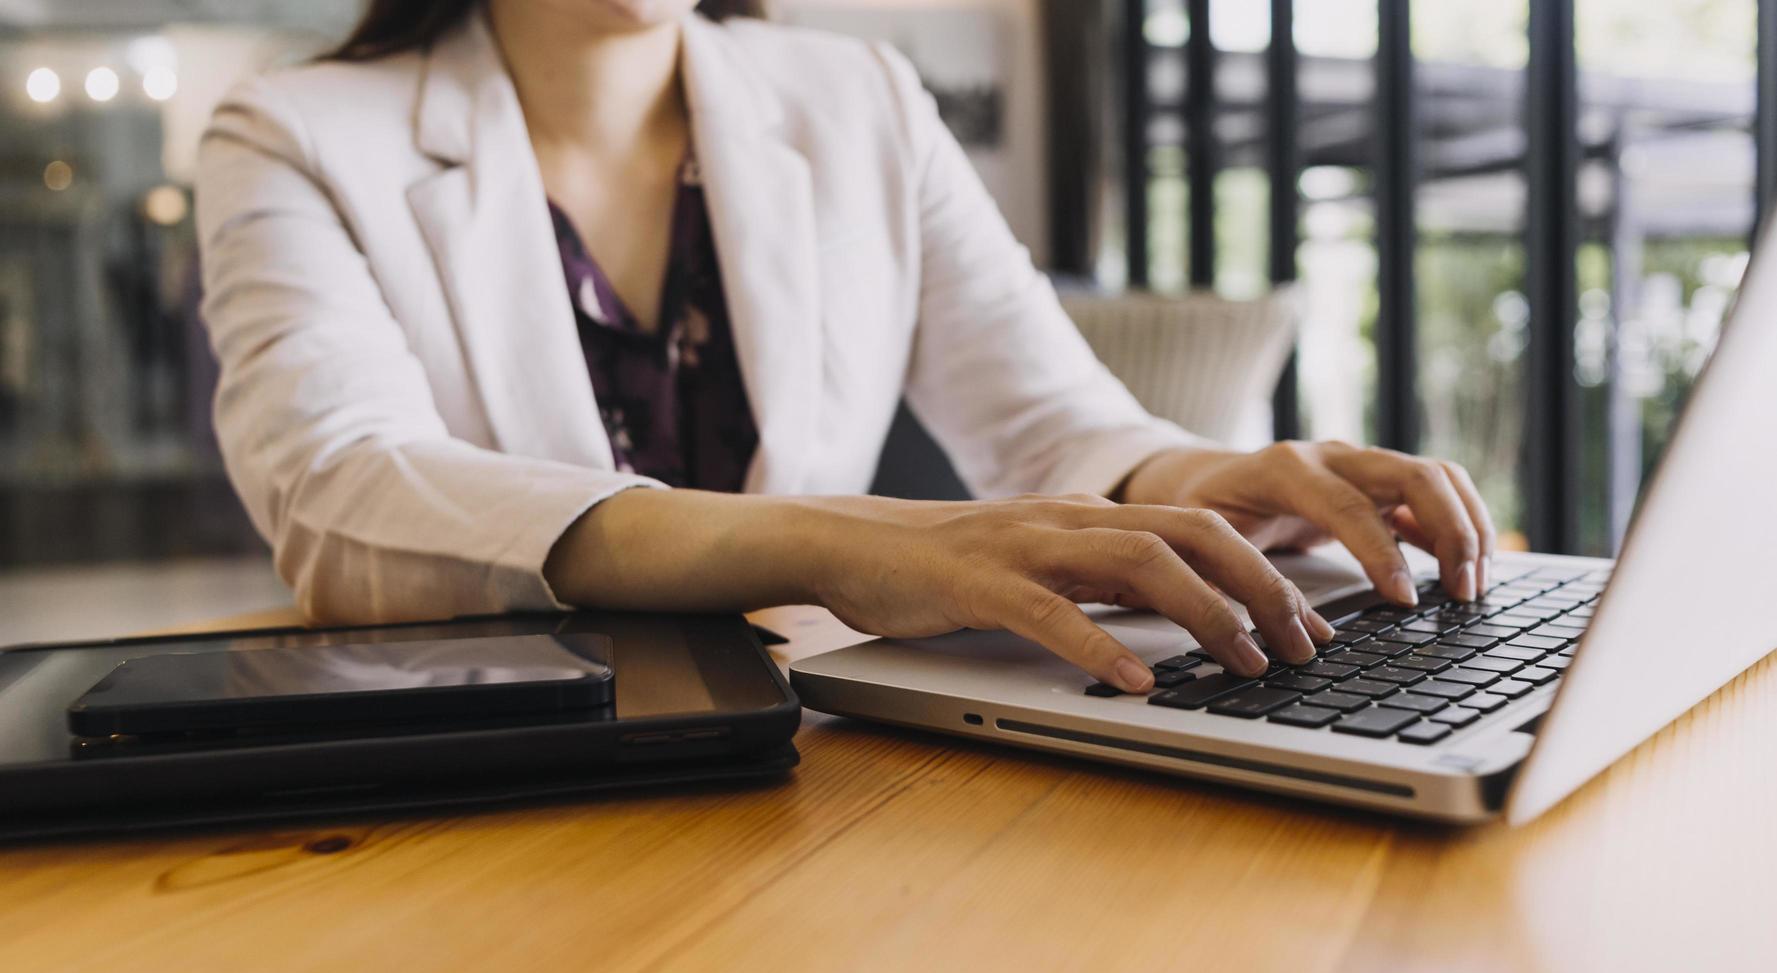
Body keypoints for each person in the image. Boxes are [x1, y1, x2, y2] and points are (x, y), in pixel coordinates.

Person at [195, 0, 1495, 697]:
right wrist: (844, 540)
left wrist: (1180, 480)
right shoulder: (293, 134)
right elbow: (343, 497)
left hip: (817, 761)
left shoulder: (854, 95)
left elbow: (1048, 420)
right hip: (498, 779)